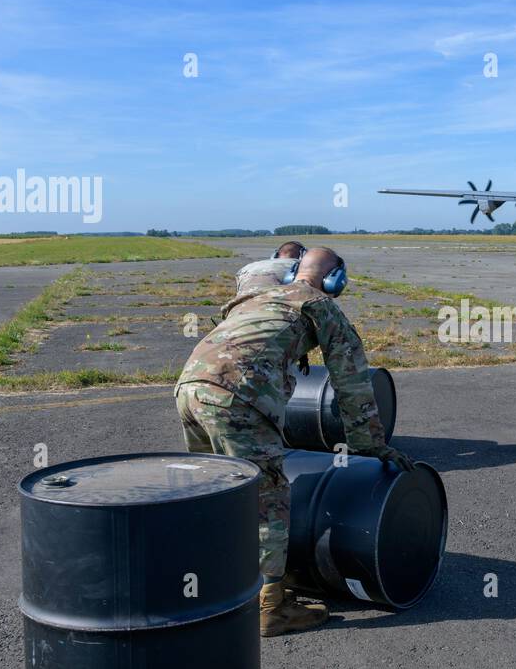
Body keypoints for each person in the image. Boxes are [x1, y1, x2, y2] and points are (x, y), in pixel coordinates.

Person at [176, 246, 415, 636]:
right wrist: (370, 445)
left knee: (214, 490)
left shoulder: (253, 297)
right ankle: (271, 606)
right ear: (336, 278)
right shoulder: (320, 305)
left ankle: (210, 582)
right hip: (236, 397)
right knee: (266, 497)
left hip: (189, 388)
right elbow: (351, 382)